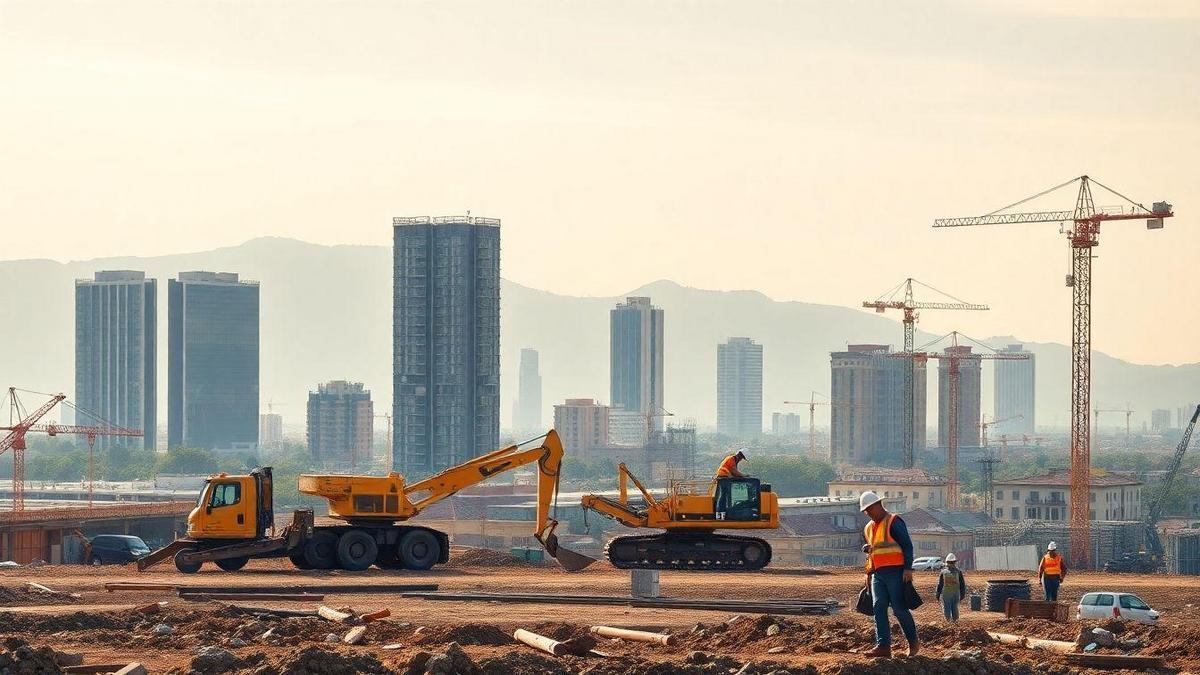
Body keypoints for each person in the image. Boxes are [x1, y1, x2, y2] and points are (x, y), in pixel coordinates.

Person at [859, 491, 918, 659]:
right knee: (878, 608)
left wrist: (908, 569)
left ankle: (913, 642)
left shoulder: (894, 521)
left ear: (878, 505)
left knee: (899, 609)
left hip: (896, 572)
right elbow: (875, 551)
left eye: (869, 509)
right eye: (865, 511)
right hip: (878, 574)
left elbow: (907, 546)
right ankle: (883, 646)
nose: (867, 513)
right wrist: (869, 573)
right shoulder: (869, 527)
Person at [935, 553, 968, 622]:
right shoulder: (958, 572)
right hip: (956, 593)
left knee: (947, 608)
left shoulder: (943, 572)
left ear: (947, 562)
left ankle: (948, 622)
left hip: (946, 593)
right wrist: (962, 594)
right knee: (955, 607)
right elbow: (962, 584)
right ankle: (956, 622)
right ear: (955, 562)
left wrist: (937, 594)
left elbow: (940, 584)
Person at [713, 450, 747, 516]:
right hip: (723, 477)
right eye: (741, 458)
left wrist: (740, 475)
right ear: (739, 455)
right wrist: (743, 475)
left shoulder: (733, 460)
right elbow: (734, 471)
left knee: (725, 494)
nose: (741, 460)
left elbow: (734, 472)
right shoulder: (731, 459)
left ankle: (723, 511)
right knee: (724, 495)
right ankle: (720, 512)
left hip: (725, 477)